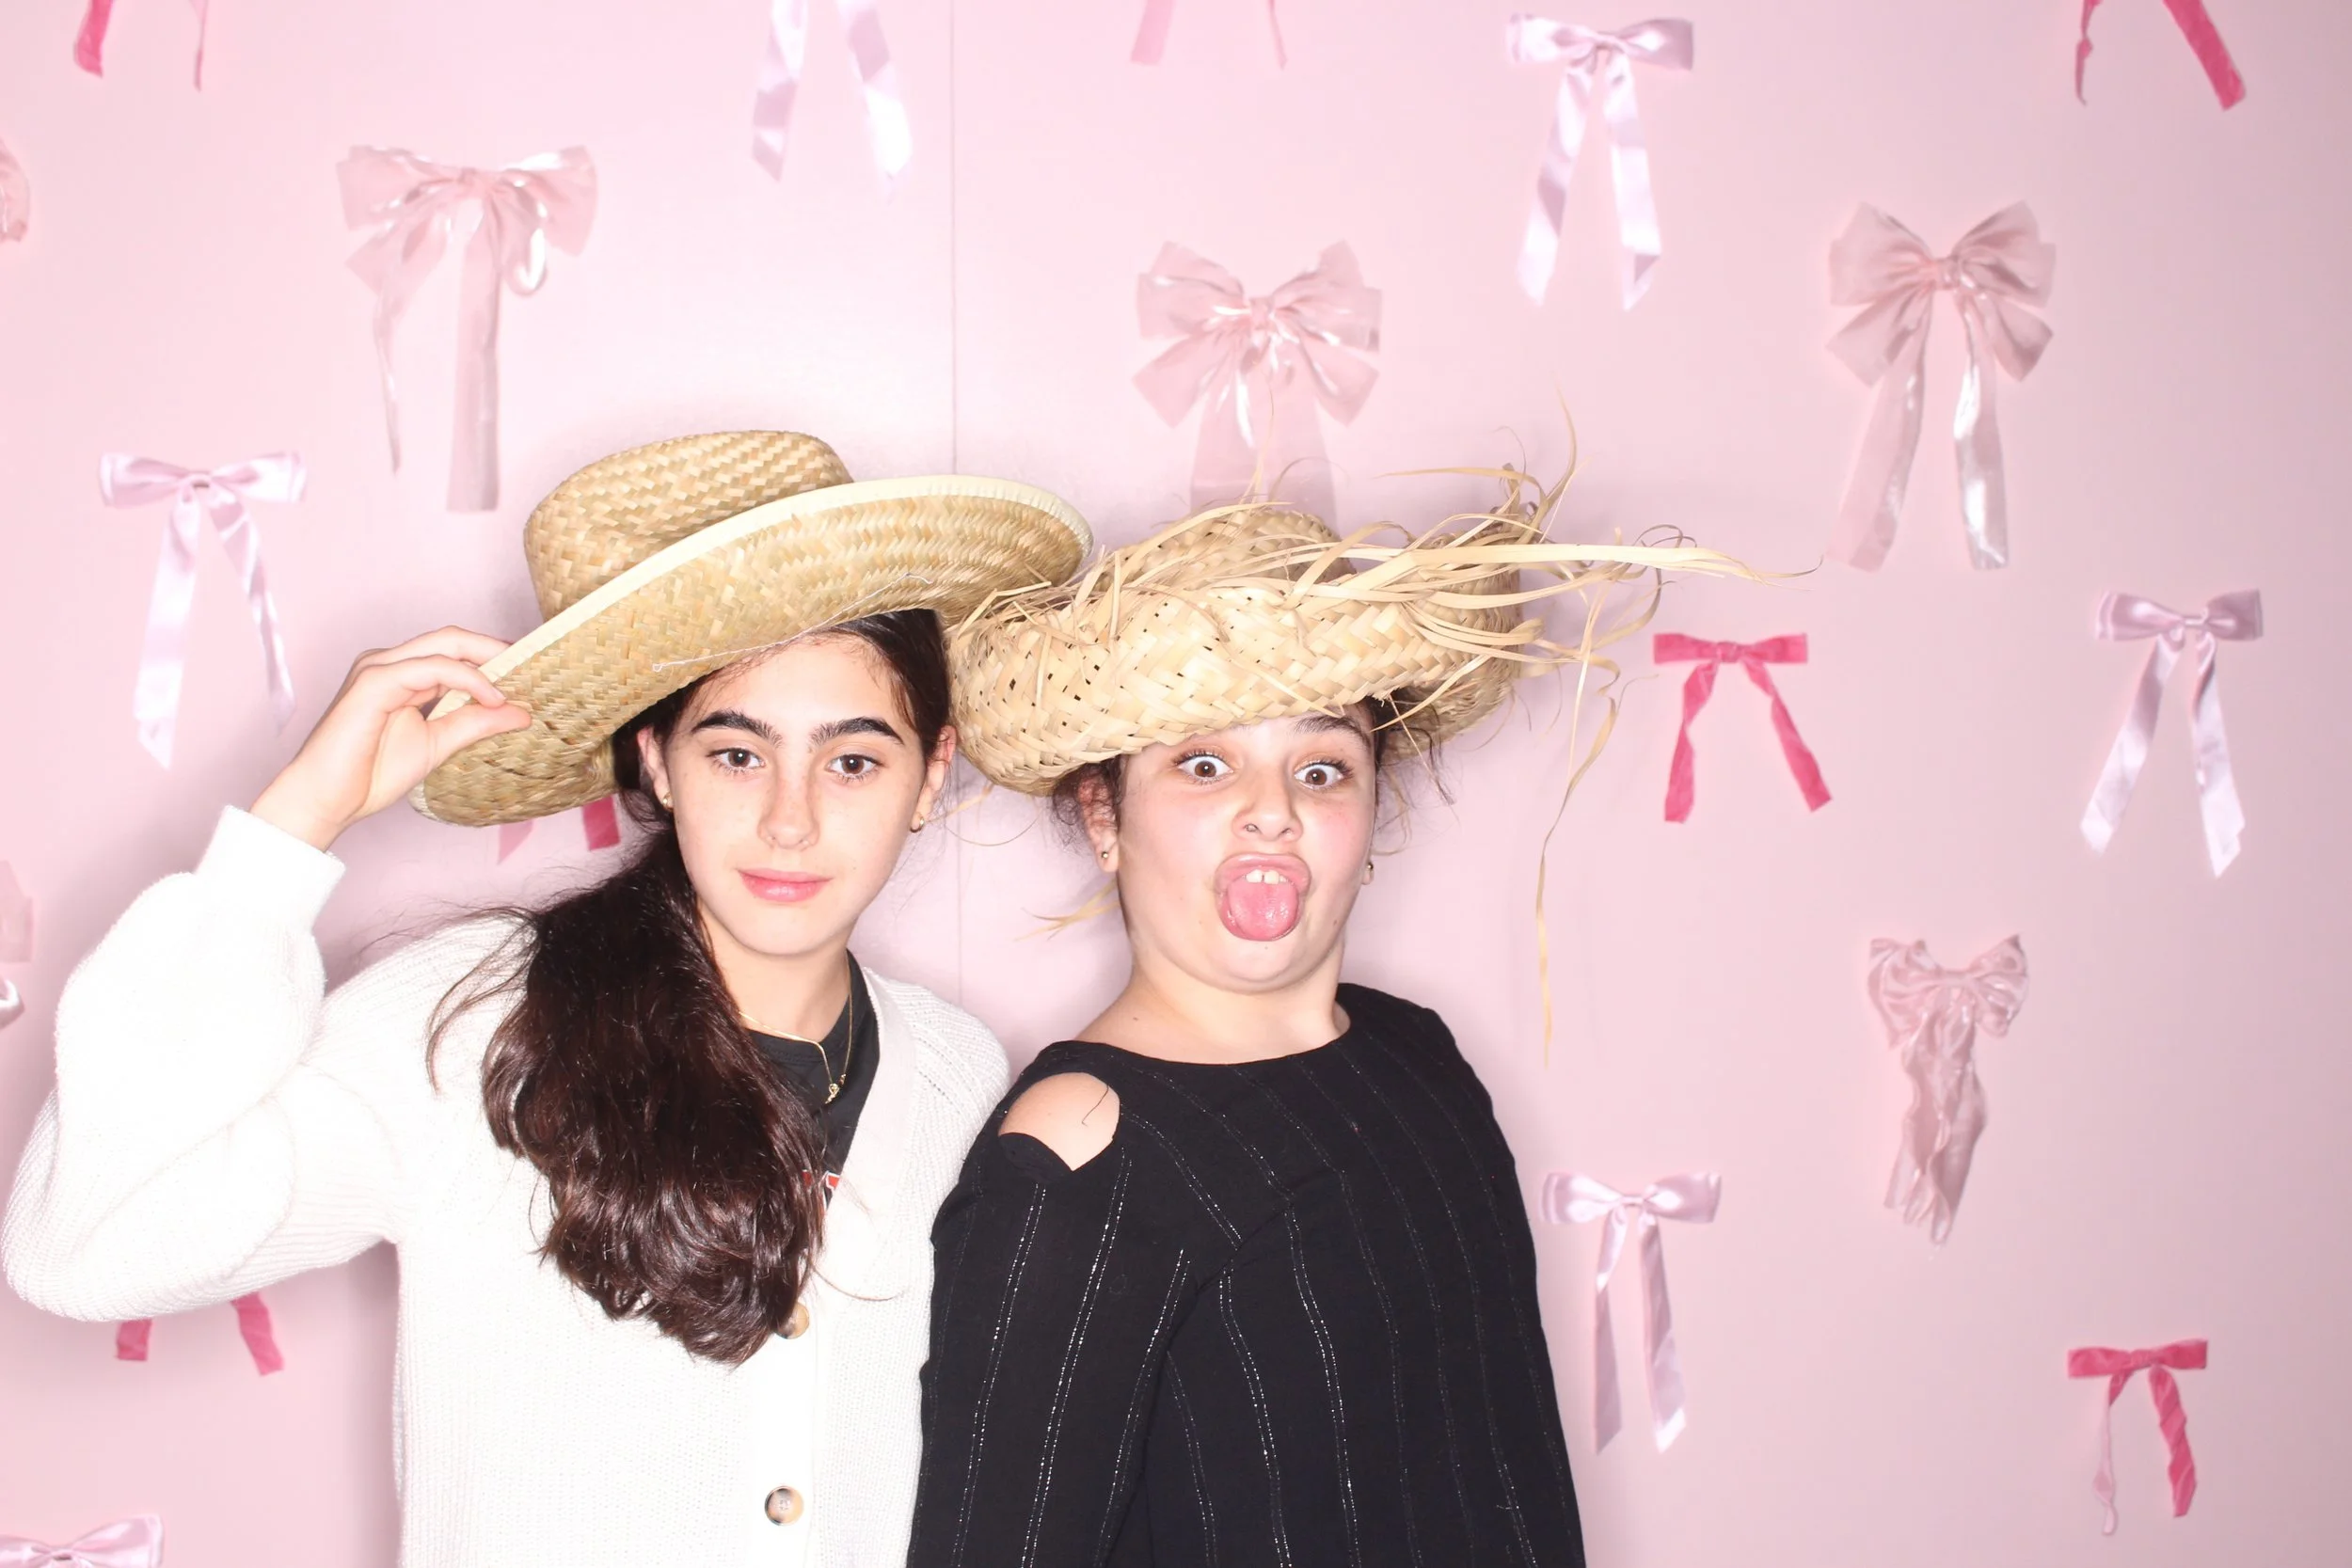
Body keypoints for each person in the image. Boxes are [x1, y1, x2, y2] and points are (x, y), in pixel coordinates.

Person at [3, 432, 1089, 1567]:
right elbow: (84, 1243)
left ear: (931, 771)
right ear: (656, 760)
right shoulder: (480, 1019)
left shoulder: (959, 1070)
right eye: (735, 753)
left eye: (852, 760)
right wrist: (290, 831)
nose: (790, 818)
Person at [908, 498, 1740, 1568]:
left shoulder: (1420, 1056)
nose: (1273, 810)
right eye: (1204, 763)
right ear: (1105, 815)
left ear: (1372, 806)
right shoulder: (1077, 1152)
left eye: (1321, 767)